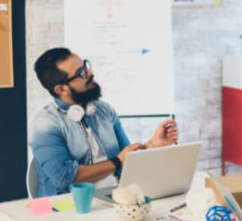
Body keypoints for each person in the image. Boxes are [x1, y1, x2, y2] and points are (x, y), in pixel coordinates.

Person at [29, 48, 178, 197]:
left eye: (85, 65)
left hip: (116, 196)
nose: (91, 72)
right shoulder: (44, 124)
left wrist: (152, 145)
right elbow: (64, 178)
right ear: (61, 89)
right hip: (68, 207)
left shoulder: (104, 110)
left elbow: (127, 158)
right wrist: (117, 162)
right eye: (81, 72)